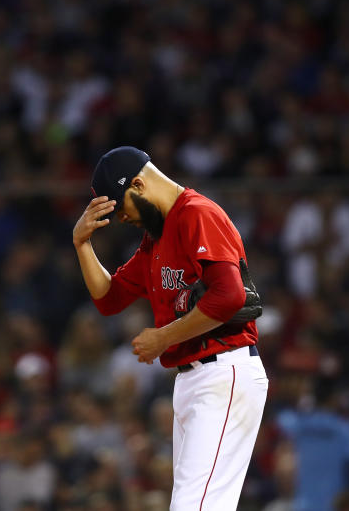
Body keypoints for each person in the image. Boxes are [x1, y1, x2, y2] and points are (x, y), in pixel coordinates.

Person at [72, 146, 268, 510]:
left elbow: (230, 297)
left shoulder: (197, 213)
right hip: (195, 378)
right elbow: (109, 299)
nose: (123, 219)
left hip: (223, 372)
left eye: (122, 206)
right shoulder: (156, 238)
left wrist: (163, 337)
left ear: (138, 184)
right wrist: (81, 244)